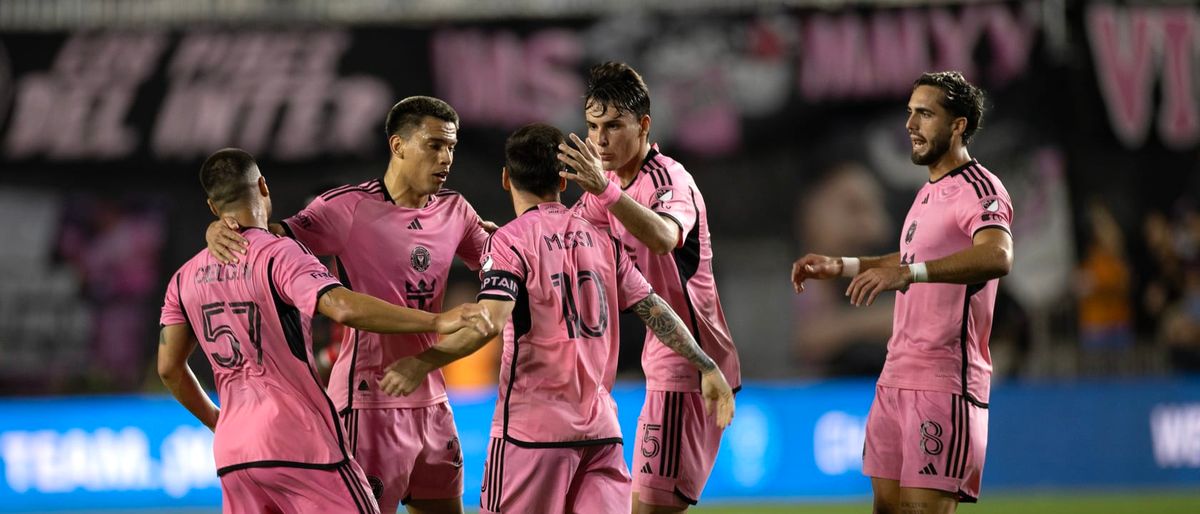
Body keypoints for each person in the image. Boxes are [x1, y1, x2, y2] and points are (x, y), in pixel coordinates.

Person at [377, 123, 735, 514]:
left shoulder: (511, 241)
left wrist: (422, 362)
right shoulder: (602, 240)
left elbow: (490, 323)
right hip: (601, 439)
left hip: (530, 438)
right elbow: (655, 311)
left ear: (505, 179)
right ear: (565, 182)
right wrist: (706, 364)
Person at [158, 148, 493, 514]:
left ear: (212, 207)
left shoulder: (184, 278)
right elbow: (344, 306)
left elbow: (169, 369)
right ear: (263, 187)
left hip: (234, 452)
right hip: (300, 441)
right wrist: (436, 321)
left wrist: (217, 420)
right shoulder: (280, 254)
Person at [791, 71, 1014, 513]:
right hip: (896, 375)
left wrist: (911, 274)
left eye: (925, 114)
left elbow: (997, 256)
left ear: (958, 126)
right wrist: (844, 266)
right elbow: (910, 256)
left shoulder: (981, 188)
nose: (911, 125)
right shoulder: (928, 193)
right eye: (910, 113)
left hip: (943, 379)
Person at [557, 61, 742, 512]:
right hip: (663, 365)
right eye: (593, 127)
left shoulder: (667, 179)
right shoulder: (612, 186)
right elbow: (560, 240)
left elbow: (663, 236)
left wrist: (605, 191)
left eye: (613, 126)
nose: (600, 140)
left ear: (643, 125)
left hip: (692, 368)